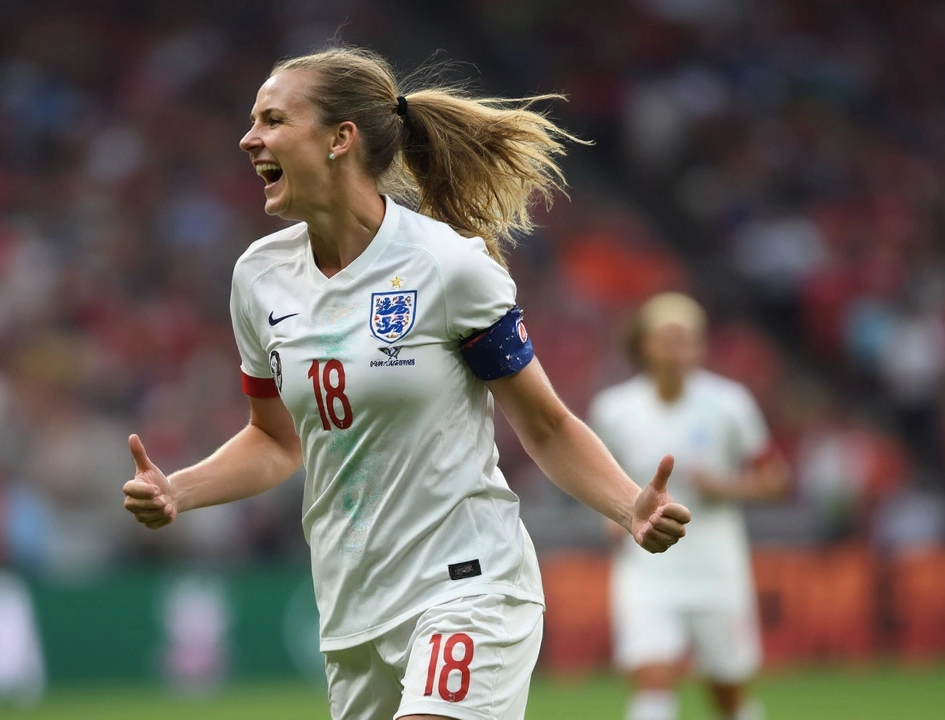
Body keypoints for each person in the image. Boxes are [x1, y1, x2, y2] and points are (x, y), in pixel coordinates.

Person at [121, 46, 692, 720]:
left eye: (272, 119)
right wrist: (178, 490)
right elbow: (275, 442)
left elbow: (545, 424)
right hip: (353, 610)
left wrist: (629, 505)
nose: (250, 139)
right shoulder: (259, 277)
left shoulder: (448, 267)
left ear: (340, 139)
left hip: (469, 586)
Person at [587, 293, 789, 720]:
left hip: (715, 564)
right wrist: (611, 515)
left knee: (728, 693)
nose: (679, 350)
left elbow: (776, 479)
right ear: (644, 345)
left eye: (688, 339)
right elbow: (598, 476)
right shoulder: (614, 409)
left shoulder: (729, 404)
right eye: (668, 339)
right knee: (652, 680)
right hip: (647, 565)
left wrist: (727, 487)